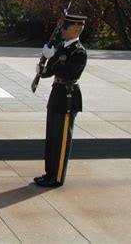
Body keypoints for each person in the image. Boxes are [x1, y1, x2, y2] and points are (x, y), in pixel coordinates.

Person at [34, 14, 88, 187]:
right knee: (52, 136)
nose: (62, 31)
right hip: (56, 93)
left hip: (68, 96)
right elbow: (51, 72)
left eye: (65, 28)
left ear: (75, 30)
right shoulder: (61, 46)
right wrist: (42, 69)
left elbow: (68, 73)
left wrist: (53, 57)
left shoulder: (79, 51)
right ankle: (49, 172)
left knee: (62, 139)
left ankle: (57, 177)